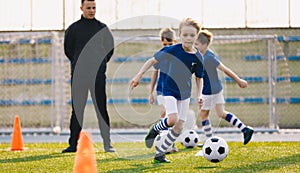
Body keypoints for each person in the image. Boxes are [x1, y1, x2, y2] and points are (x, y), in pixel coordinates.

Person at [130, 18, 204, 163]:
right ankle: (155, 129)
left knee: (179, 127)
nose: (188, 38)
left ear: (197, 36)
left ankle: (160, 153)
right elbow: (152, 61)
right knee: (172, 119)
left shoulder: (198, 57)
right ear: (180, 35)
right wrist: (139, 75)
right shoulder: (172, 50)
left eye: (192, 35)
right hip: (169, 90)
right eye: (185, 35)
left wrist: (200, 94)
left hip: (185, 94)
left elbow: (199, 78)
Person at [62, 0, 115, 153]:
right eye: (88, 8)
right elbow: (68, 50)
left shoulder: (102, 28)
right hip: (79, 76)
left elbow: (109, 49)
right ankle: (73, 145)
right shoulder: (73, 29)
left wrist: (101, 64)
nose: (92, 10)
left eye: (94, 8)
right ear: (81, 8)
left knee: (101, 109)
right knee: (77, 110)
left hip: (98, 76)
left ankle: (107, 144)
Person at [194, 30, 254, 154]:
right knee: (221, 113)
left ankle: (209, 140)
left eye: (197, 44)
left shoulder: (209, 57)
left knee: (203, 115)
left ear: (205, 45)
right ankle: (244, 129)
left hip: (209, 91)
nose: (196, 47)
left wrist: (238, 80)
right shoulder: (205, 55)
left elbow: (224, 69)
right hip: (217, 89)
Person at [148, 28, 178, 153]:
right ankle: (164, 144)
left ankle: (170, 143)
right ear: (161, 42)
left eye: (170, 44)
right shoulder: (160, 55)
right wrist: (151, 92)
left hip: (174, 89)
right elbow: (155, 73)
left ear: (175, 41)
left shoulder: (178, 54)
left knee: (173, 117)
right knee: (164, 113)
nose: (167, 47)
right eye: (165, 44)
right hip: (162, 88)